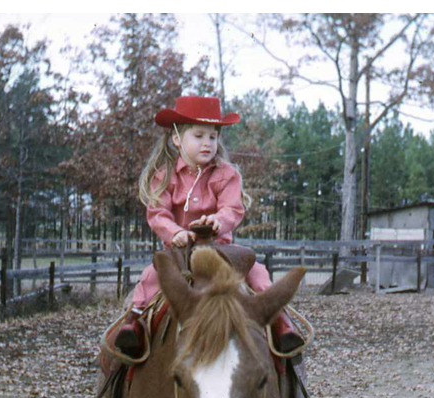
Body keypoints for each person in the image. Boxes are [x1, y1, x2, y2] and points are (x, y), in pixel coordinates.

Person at [114, 95, 304, 358]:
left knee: (258, 273)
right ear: (177, 138)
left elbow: (232, 208)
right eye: (199, 135)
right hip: (180, 251)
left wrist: (218, 221)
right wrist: (176, 232)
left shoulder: (227, 174)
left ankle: (280, 321)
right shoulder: (165, 176)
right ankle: (134, 323)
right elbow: (157, 214)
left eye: (213, 137)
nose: (207, 143)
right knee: (151, 276)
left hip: (222, 252)